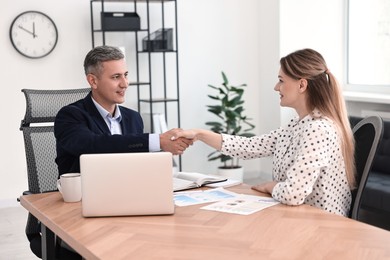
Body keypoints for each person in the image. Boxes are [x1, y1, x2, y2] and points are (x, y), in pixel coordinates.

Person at [172, 48, 355, 217]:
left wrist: (271, 186)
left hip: (321, 226)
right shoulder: (296, 126)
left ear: (302, 85)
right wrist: (199, 134)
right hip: (298, 217)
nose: (276, 87)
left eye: (281, 81)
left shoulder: (318, 130)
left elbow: (293, 194)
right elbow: (249, 146)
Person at [55, 45, 192, 175]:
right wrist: (159, 140)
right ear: (93, 81)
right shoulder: (69, 116)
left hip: (128, 192)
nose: (125, 83)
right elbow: (94, 145)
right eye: (116, 77)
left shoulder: (133, 118)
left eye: (125, 75)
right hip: (83, 197)